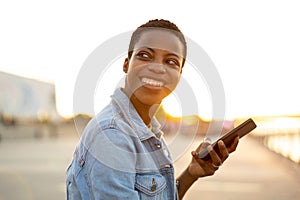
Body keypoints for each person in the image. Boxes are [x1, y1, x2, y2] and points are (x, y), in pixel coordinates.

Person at [66, 19, 239, 200]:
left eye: (171, 61)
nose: (157, 67)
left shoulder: (147, 130)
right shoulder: (113, 135)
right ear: (126, 64)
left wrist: (191, 173)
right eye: (145, 55)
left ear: (179, 74)